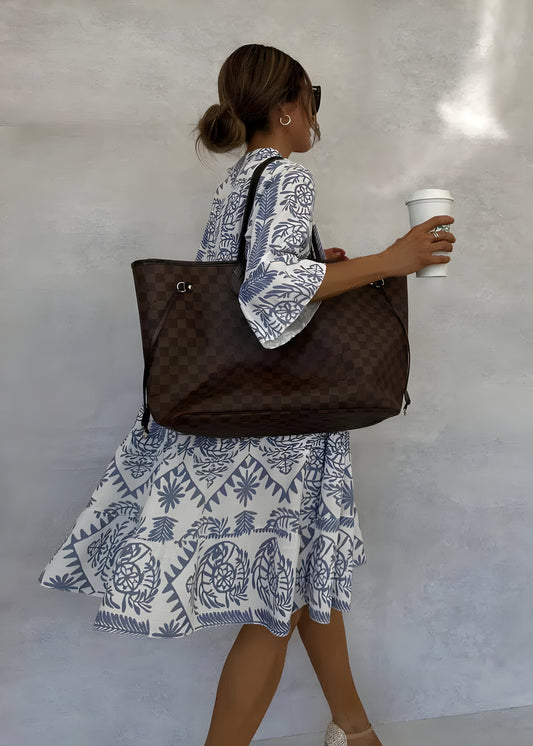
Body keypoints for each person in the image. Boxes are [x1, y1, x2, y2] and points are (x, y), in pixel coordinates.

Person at [38, 44, 455, 746]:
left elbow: (246, 284)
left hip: (245, 416)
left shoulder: (243, 177)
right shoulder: (285, 176)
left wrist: (318, 266)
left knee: (305, 580)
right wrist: (394, 259)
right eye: (311, 98)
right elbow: (267, 294)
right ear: (287, 107)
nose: (314, 114)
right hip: (276, 431)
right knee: (279, 601)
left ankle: (355, 732)